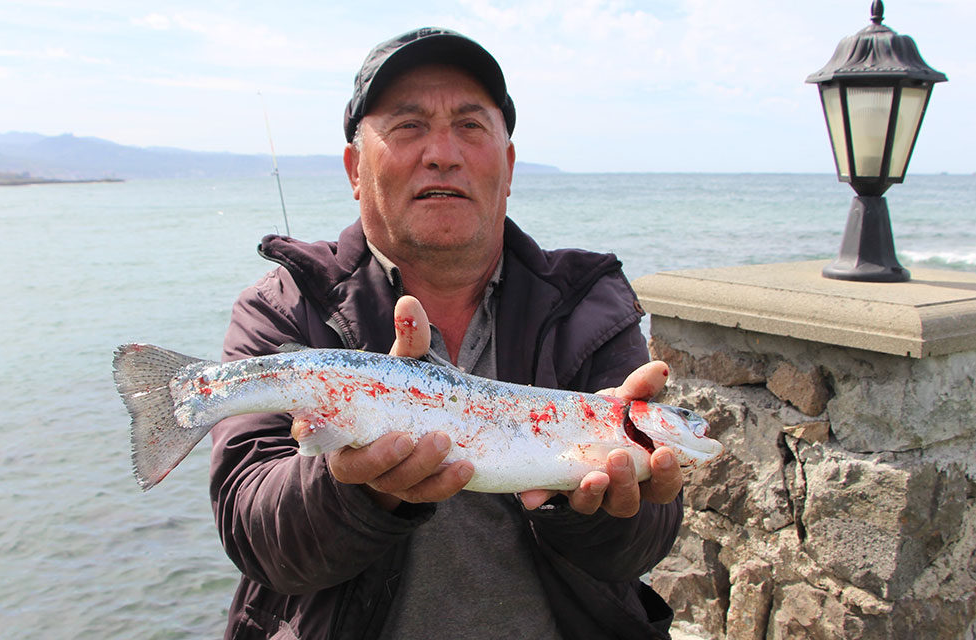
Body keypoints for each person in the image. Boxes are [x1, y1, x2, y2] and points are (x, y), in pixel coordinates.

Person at [209, 27, 684, 639]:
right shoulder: (283, 311)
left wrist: (591, 506)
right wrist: (356, 488)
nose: (443, 153)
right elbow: (259, 539)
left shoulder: (591, 305)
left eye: (470, 126)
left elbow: (635, 551)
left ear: (508, 164)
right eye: (408, 126)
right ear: (356, 168)